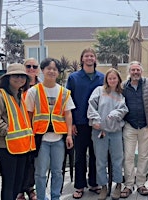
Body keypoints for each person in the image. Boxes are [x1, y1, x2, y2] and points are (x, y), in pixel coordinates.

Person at [25, 58, 75, 200]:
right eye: (49, 68)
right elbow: (28, 115)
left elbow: (68, 114)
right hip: (40, 139)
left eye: (55, 69)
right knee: (40, 173)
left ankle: (55, 197)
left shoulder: (64, 92)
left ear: (58, 73)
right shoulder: (34, 91)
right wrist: (29, 136)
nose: (52, 71)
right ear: (42, 70)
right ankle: (41, 197)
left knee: (58, 172)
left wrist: (69, 135)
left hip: (59, 138)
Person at [0, 63, 35, 200]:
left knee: (17, 184)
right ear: (7, 78)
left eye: (22, 76)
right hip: (4, 146)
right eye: (15, 76)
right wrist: (8, 131)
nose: (19, 79)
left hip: (20, 146)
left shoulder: (19, 96)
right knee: (9, 183)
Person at [66, 48, 104, 199]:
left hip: (97, 123)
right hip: (80, 122)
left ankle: (94, 183)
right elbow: (68, 101)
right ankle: (79, 186)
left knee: (96, 155)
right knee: (80, 156)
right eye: (86, 56)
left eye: (92, 56)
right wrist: (72, 123)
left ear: (95, 59)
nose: (89, 58)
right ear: (82, 59)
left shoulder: (102, 77)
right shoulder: (74, 78)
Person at [87, 68, 128, 200]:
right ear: (106, 80)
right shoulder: (99, 91)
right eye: (109, 78)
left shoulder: (121, 95)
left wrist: (115, 114)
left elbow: (123, 110)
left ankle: (117, 185)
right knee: (100, 161)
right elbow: (91, 106)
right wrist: (96, 120)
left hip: (115, 132)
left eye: (114, 78)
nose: (112, 80)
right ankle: (103, 186)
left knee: (117, 160)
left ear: (118, 80)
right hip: (99, 132)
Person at [120, 61, 148, 198]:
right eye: (133, 70)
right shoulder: (123, 86)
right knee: (128, 156)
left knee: (143, 156)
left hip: (146, 125)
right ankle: (129, 185)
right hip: (129, 125)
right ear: (129, 72)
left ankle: (141, 184)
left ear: (141, 71)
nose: (135, 72)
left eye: (138, 70)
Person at [17, 57, 41, 200]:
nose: (31, 69)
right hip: (21, 131)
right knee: (21, 162)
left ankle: (31, 189)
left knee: (33, 163)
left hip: (37, 131)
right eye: (28, 66)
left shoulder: (42, 87)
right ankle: (20, 190)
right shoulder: (18, 87)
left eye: (34, 66)